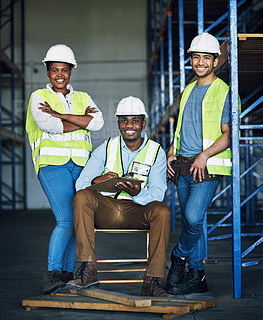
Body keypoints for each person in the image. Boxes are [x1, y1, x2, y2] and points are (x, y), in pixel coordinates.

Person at [66, 96, 172, 297]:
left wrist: (139, 193)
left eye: (134, 120)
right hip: (106, 210)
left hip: (137, 210)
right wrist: (99, 179)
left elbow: (158, 193)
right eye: (124, 120)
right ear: (118, 123)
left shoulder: (156, 152)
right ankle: (87, 269)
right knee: (81, 197)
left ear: (143, 123)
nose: (129, 125)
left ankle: (153, 280)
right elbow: (81, 183)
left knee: (163, 211)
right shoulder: (107, 147)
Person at [26, 44, 104, 294]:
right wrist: (81, 122)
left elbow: (99, 122)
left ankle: (69, 275)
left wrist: (61, 114)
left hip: (81, 168)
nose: (60, 74)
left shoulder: (83, 97)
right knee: (66, 220)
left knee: (80, 221)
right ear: (48, 72)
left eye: (65, 70)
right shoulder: (38, 97)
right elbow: (49, 126)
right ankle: (53, 274)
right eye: (55, 70)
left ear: (71, 72)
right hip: (52, 166)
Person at [166, 32, 231, 295]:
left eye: (206, 57)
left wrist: (204, 155)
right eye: (196, 57)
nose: (200, 62)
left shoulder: (224, 91)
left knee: (192, 217)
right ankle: (197, 275)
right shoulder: (188, 90)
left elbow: (228, 135)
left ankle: (178, 257)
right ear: (191, 60)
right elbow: (180, 129)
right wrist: (171, 151)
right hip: (181, 165)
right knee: (194, 222)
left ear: (216, 61)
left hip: (206, 167)